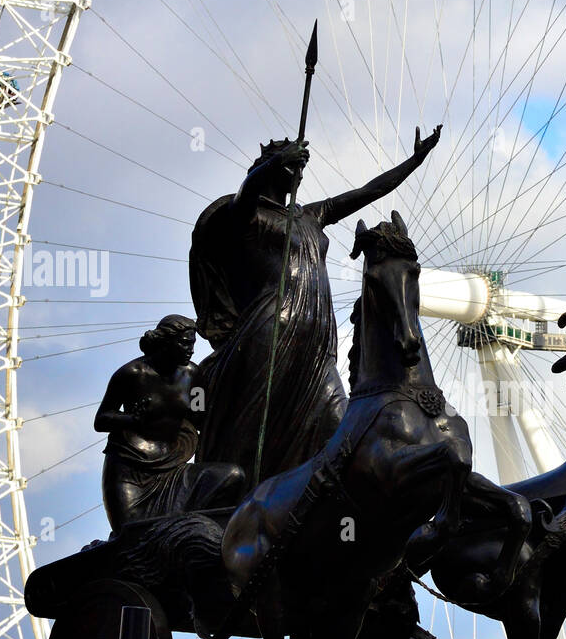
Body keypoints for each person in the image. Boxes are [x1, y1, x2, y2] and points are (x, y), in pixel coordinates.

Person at [188, 125, 442, 484]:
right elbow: (245, 195)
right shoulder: (246, 215)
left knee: (337, 420)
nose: (299, 175)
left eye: (302, 168)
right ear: (273, 167)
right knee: (256, 421)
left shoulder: (311, 216)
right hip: (271, 334)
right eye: (293, 167)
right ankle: (235, 496)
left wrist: (415, 160)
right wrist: (275, 161)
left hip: (317, 338)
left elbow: (368, 191)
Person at [94, 315, 247, 532]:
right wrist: (132, 420)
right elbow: (101, 420)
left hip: (173, 469)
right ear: (166, 342)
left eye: (193, 343)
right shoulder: (132, 374)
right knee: (132, 536)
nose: (191, 350)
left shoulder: (193, 375)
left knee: (232, 476)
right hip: (131, 472)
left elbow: (200, 414)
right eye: (185, 343)